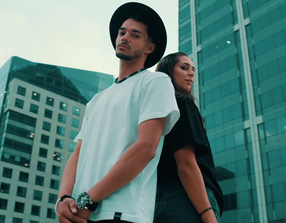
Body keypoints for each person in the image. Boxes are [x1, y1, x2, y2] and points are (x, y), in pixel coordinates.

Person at [55, 3, 180, 223]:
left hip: (123, 213)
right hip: (80, 215)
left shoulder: (155, 82)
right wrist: (64, 199)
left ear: (149, 48)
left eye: (135, 35)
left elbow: (146, 148)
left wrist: (89, 200)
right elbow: (77, 155)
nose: (124, 38)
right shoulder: (96, 100)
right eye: (122, 32)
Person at [154, 52, 224, 223]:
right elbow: (185, 165)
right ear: (168, 72)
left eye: (192, 69)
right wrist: (209, 215)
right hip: (189, 202)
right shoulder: (182, 104)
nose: (191, 73)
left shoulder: (156, 111)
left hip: (163, 203)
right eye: (184, 68)